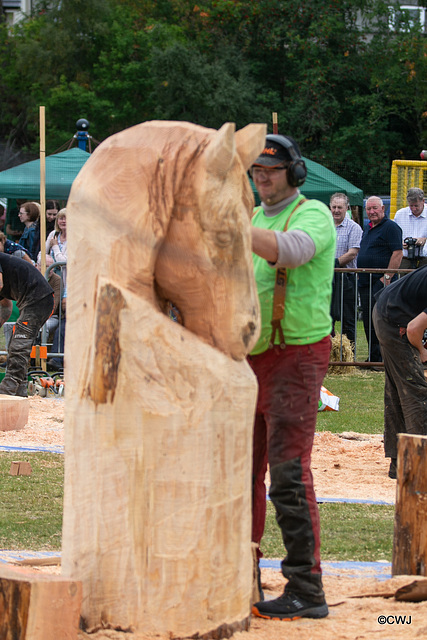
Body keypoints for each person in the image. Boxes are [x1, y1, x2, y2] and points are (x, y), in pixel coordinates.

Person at [248, 134, 336, 621]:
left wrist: (233, 229)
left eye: (272, 171)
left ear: (293, 175)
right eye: (257, 171)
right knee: (243, 470)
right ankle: (244, 567)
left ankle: (306, 587)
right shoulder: (256, 216)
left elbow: (292, 251)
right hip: (252, 355)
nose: (262, 177)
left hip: (297, 354)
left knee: (287, 472)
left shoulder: (312, 215)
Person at [373, 266, 427, 479]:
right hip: (394, 319)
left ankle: (400, 463)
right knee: (415, 393)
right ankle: (418, 463)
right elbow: (414, 329)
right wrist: (422, 351)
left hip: (387, 310)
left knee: (397, 391)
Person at [0, 253, 54, 396]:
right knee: (15, 343)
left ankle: (8, 387)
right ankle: (20, 389)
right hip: (34, 301)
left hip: (39, 299)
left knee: (20, 344)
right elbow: (6, 307)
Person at [357, 196, 402, 362]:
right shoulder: (368, 228)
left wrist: (387, 277)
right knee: (368, 320)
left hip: (380, 283)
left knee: (381, 320)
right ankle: (373, 356)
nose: (371, 212)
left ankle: (384, 357)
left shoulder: (391, 227)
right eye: (368, 209)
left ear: (383, 209)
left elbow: (398, 253)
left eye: (375, 208)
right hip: (365, 282)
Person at [330, 193, 363, 346]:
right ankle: (328, 354)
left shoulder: (354, 227)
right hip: (326, 279)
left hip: (347, 279)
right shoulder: (324, 225)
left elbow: (352, 253)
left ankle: (349, 357)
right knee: (326, 317)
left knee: (348, 318)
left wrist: (332, 264)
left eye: (340, 207)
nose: (336, 210)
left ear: (346, 208)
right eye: (334, 207)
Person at [393, 188, 427, 270]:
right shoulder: (400, 214)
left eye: (416, 206)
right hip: (404, 258)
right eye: (411, 205)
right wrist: (401, 243)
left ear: (423, 201)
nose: (414, 209)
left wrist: (424, 240)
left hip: (425, 259)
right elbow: (393, 236)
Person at [45, 208, 67, 284]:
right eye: (61, 219)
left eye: (67, 219)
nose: (64, 221)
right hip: (51, 276)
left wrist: (55, 246)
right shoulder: (53, 234)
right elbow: (42, 252)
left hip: (67, 279)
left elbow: (63, 261)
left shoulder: (75, 238)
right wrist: (44, 263)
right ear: (57, 221)